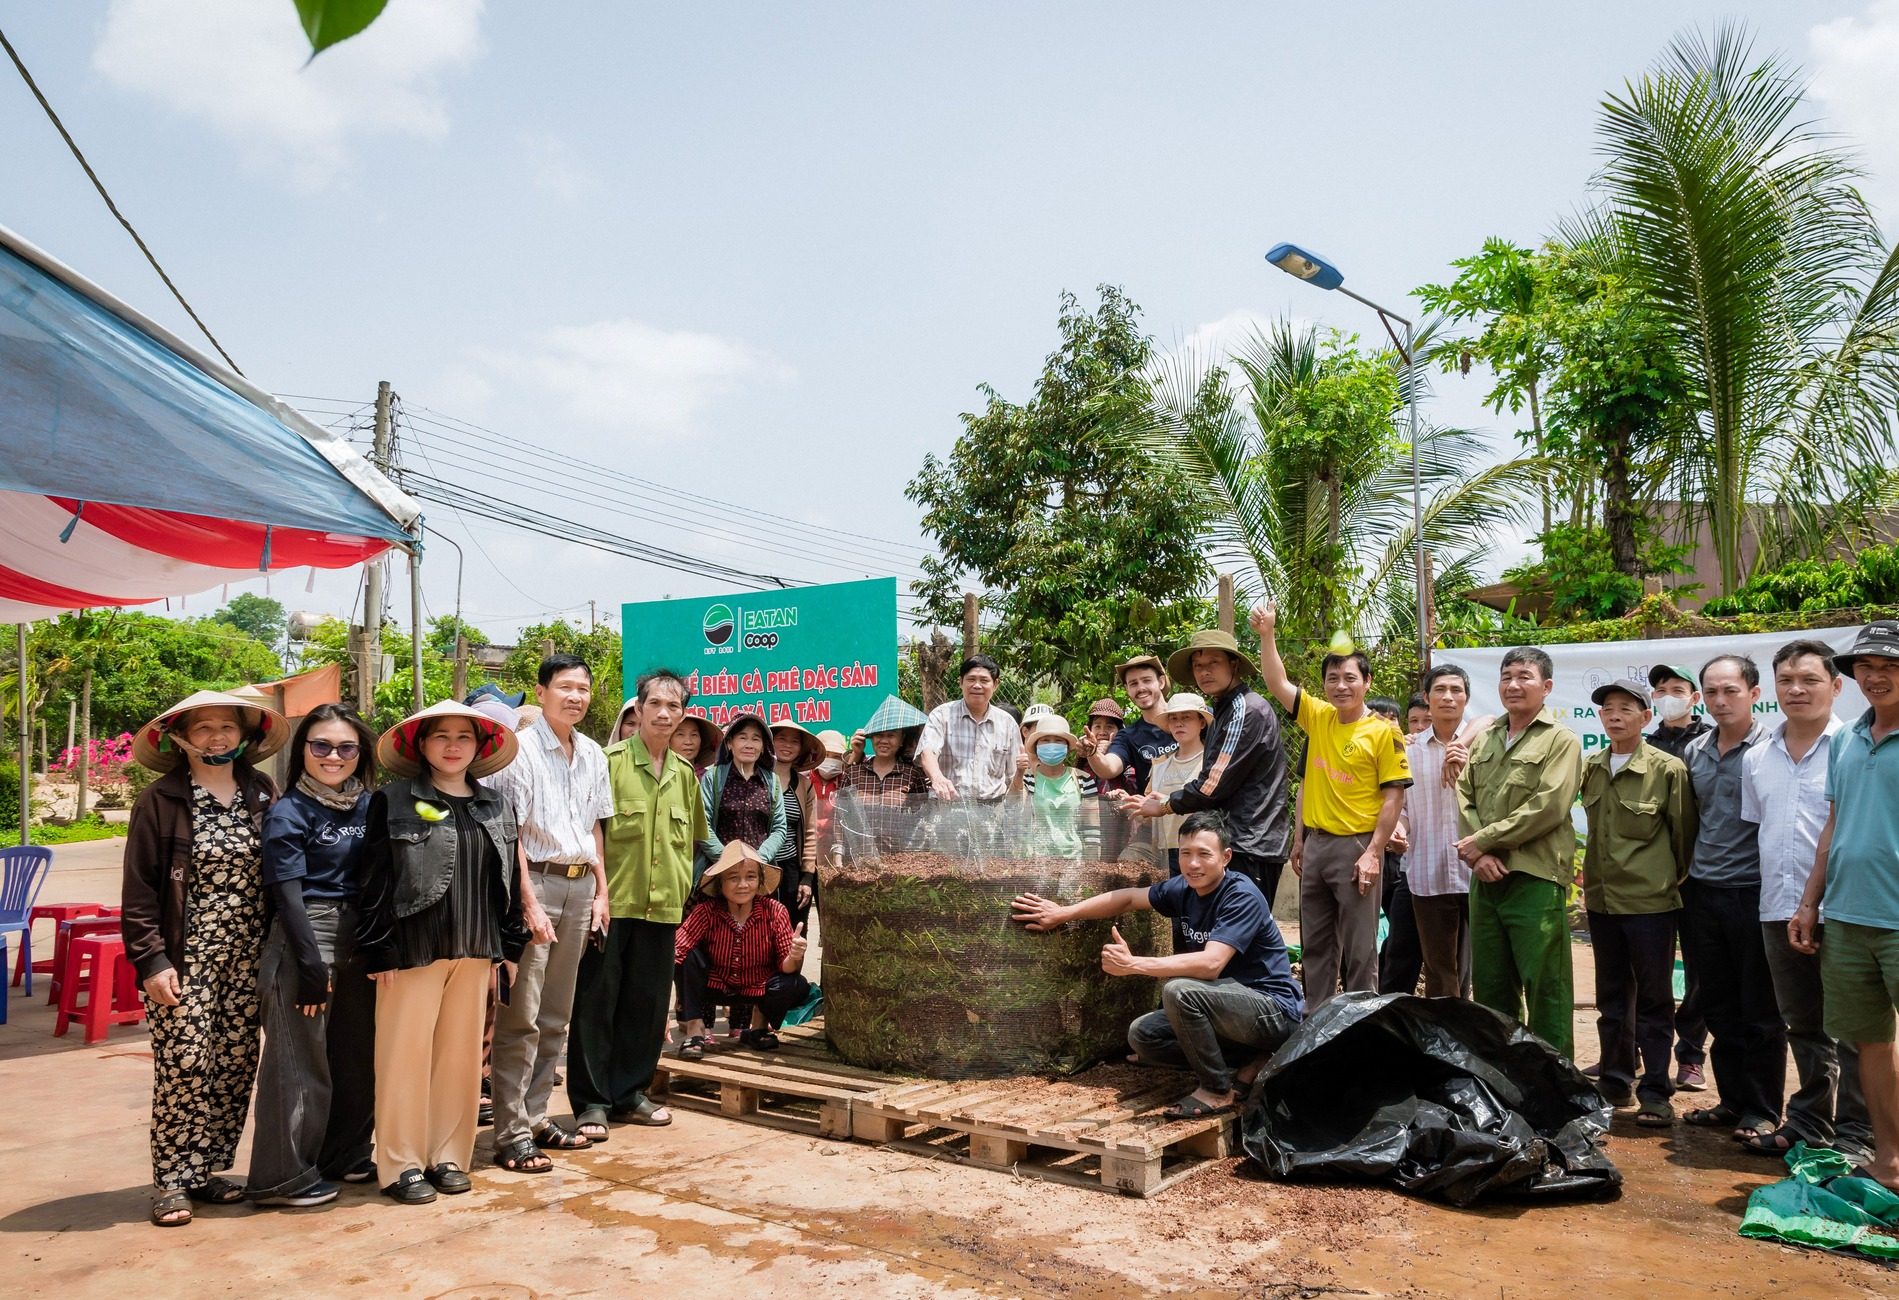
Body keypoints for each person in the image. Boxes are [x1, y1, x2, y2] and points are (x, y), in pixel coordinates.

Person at [1011, 812, 1303, 1117]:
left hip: (1272, 1011)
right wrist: (1064, 913)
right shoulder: (1184, 889)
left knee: (1180, 992)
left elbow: (1211, 964)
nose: (1192, 864)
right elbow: (1127, 898)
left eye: (1204, 854)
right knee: (1143, 1036)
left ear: (1225, 857)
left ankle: (1216, 1090)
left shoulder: (1240, 895)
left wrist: (1134, 964)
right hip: (1227, 1010)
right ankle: (1253, 1059)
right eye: (1186, 854)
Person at [124, 691, 287, 1227]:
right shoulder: (161, 800)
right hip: (185, 957)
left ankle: (209, 1168)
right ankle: (172, 1179)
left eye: (227, 726)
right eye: (204, 728)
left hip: (249, 953)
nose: (217, 737)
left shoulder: (260, 791)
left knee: (236, 1063)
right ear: (179, 738)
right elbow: (141, 891)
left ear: (244, 736)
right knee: (185, 1064)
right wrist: (151, 961)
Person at [358, 700, 527, 1205]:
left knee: (459, 1060)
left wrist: (511, 945)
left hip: (477, 948)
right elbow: (372, 880)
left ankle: (448, 1154)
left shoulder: (497, 804)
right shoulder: (391, 801)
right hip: (411, 949)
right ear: (421, 745)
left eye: (463, 737)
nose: (452, 746)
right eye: (441, 736)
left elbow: (509, 882)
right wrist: (377, 949)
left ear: (479, 746)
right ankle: (400, 1164)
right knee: (403, 1058)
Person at [1741, 640, 1870, 1161]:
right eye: (1786, 680)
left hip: (1845, 910)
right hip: (1777, 907)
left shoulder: (1857, 749)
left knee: (1859, 1031)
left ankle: (1860, 1133)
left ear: (1837, 686)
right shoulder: (1757, 756)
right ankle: (1811, 1122)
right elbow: (1764, 829)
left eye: (1810, 680)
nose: (1796, 690)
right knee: (1804, 1025)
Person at [485, 655, 614, 1175]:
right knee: (523, 1015)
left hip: (582, 886)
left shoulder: (593, 755)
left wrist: (603, 892)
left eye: (583, 688)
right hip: (535, 881)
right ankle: (510, 1132)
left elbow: (594, 829)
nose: (576, 697)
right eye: (565, 687)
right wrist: (526, 900)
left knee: (557, 1014)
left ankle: (537, 1117)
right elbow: (508, 831)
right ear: (540, 692)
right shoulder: (518, 752)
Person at [247, 703, 379, 1207]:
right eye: (320, 745)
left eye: (346, 747)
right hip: (307, 937)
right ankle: (281, 1177)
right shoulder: (289, 812)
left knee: (355, 1059)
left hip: (359, 938)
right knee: (299, 1066)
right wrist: (307, 967)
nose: (333, 756)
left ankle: (343, 1155)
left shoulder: (368, 805)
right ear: (302, 750)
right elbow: (288, 895)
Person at [569, 670, 707, 1140]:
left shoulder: (686, 775)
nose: (664, 714)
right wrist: (598, 892)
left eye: (673, 706)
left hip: (663, 906)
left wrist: (681, 889)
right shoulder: (608, 763)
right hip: (613, 903)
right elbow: (590, 833)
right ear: (640, 709)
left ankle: (630, 1094)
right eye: (655, 705)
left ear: (683, 713)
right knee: (596, 1003)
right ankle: (591, 1103)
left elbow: (693, 841)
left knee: (647, 1006)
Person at [1252, 604, 1410, 1006]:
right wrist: (1267, 635)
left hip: (1357, 848)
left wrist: (1375, 852)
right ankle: (1316, 1029)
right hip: (1317, 848)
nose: (1341, 685)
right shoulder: (1319, 717)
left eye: (1350, 678)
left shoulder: (1384, 733)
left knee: (1360, 952)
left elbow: (1394, 795)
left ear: (1367, 682)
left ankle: (1358, 1031)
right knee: (1316, 949)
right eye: (1333, 678)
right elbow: (1277, 683)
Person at [1791, 620, 1899, 1194]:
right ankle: (1889, 1162)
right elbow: (1832, 826)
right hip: (1849, 919)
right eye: (1865, 666)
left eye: (1889, 666)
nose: (1875, 677)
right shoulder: (1848, 741)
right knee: (1870, 1045)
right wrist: (1811, 901)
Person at [1455, 647, 1583, 1057]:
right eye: (1507, 676)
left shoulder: (1560, 740)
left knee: (1546, 987)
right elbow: (1463, 795)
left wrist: (1484, 841)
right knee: (1491, 986)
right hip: (1485, 878)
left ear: (1546, 687)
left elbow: (1549, 805)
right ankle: (1500, 1078)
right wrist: (1478, 854)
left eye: (1524, 676)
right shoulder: (1487, 738)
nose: (1513, 685)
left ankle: (1554, 1083)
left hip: (1535, 877)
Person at [1579, 677, 1696, 1127]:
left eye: (1626, 708)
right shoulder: (1592, 766)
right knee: (1611, 997)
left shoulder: (1667, 770)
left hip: (1650, 903)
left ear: (1646, 718)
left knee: (1654, 999)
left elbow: (1684, 837)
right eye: (1608, 708)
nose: (1614, 715)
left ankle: (1656, 1091)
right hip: (1603, 902)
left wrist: (1665, 880)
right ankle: (1614, 1080)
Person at [1680, 655, 1786, 1142]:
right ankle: (1731, 1101)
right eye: (1712, 692)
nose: (1721, 701)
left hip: (1756, 892)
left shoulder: (1774, 748)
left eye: (1732, 691)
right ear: (1701, 697)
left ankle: (1763, 1109)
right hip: (1704, 892)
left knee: (1760, 1009)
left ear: (1754, 693)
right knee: (1717, 1005)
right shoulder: (1695, 751)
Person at [1118, 627, 1292, 904]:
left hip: (1249, 844)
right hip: (1233, 842)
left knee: (1240, 935)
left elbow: (1211, 785)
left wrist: (1165, 805)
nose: (1204, 672)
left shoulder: (1243, 710)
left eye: (1213, 663)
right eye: (1198, 666)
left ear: (1233, 664)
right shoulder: (1225, 709)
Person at [672, 842, 812, 1056]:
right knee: (687, 957)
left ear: (760, 881)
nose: (743, 885)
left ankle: (758, 1025)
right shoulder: (706, 911)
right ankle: (695, 1029)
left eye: (750, 877)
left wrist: (795, 955)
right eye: (733, 878)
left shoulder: (775, 911)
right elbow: (675, 952)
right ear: (721, 884)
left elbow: (786, 967)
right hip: (714, 985)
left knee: (794, 984)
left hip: (758, 987)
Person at [1647, 662, 1712, 1092]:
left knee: (1699, 969)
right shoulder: (1644, 744)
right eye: (1661, 689)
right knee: (1645, 968)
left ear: (1695, 697)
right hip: (1648, 875)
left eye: (1677, 688)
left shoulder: (1710, 743)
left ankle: (1691, 1056)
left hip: (1699, 872)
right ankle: (1639, 1051)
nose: (1668, 694)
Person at [1402, 666, 1479, 998]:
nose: (1448, 696)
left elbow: (1490, 719)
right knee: (1439, 971)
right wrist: (1398, 831)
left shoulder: (1486, 745)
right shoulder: (1407, 751)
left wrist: (1461, 743)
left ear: (1466, 698)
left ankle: (1485, 1042)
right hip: (1428, 872)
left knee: (1487, 968)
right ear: (1427, 699)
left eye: (1456, 690)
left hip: (1480, 872)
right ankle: (1445, 1045)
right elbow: (1401, 808)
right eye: (1440, 690)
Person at [1122, 693, 1213, 879]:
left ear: (1201, 722)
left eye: (1186, 717)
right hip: (1165, 852)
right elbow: (1147, 813)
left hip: (1203, 849)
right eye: (1174, 718)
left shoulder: (1212, 762)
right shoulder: (1159, 765)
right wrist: (1132, 803)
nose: (1179, 723)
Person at [834, 696, 931, 863]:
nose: (884, 740)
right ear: (871, 738)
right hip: (857, 859)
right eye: (878, 735)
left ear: (901, 741)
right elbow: (840, 816)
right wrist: (837, 856)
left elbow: (923, 818)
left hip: (900, 860)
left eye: (891, 735)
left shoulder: (912, 775)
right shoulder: (853, 773)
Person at [1367, 697, 1421, 997]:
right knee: (1363, 936)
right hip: (1365, 852)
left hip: (1398, 859)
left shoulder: (1409, 752)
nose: (1387, 724)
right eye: (1379, 718)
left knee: (1400, 934)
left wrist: (1397, 832)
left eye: (1392, 719)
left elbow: (1403, 805)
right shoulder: (1356, 748)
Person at [698, 715, 790, 888]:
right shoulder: (713, 777)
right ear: (729, 744)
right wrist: (726, 859)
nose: (749, 744)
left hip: (758, 874)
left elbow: (779, 828)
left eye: (756, 739)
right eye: (742, 737)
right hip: (719, 871)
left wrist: (758, 860)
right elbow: (703, 824)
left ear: (763, 747)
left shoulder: (772, 781)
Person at [917, 655, 1024, 802]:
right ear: (961, 682)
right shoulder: (942, 715)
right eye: (971, 679)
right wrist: (937, 778)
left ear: (995, 684)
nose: (977, 685)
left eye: (984, 680)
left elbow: (1013, 776)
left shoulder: (1008, 723)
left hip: (991, 813)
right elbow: (927, 751)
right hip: (947, 807)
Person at [1082, 654, 1179, 794]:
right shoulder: (1129, 736)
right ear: (1127, 689)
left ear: (1161, 682)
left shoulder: (1193, 716)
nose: (1141, 688)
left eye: (1146, 680)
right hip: (1155, 812)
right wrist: (1092, 753)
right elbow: (1108, 768)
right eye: (1133, 683)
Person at [769, 720, 821, 930]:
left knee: (795, 930)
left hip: (791, 867)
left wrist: (807, 877)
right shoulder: (757, 778)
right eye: (781, 738)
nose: (787, 745)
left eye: (794, 741)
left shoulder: (805, 785)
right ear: (770, 742)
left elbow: (810, 833)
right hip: (761, 867)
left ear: (801, 749)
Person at [1021, 714, 1085, 860]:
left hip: (1074, 860)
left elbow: (1092, 827)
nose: (1051, 745)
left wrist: (1093, 862)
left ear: (1068, 747)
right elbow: (1016, 810)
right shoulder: (1028, 778)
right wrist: (1018, 774)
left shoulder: (1083, 779)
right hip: (1037, 860)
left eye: (1058, 741)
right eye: (1045, 740)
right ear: (1036, 746)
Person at [669, 712, 723, 777]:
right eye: (680, 734)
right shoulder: (659, 776)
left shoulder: (711, 780)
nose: (688, 742)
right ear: (667, 741)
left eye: (694, 735)